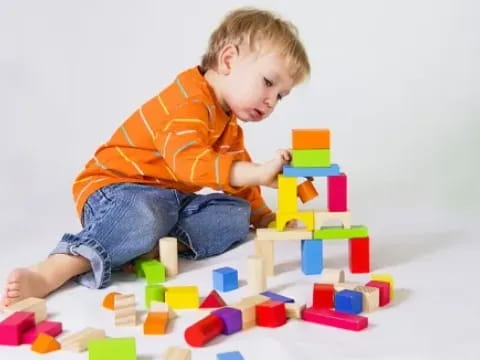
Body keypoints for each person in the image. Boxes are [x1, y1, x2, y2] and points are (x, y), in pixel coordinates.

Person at [1, 7, 310, 307]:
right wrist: (256, 172)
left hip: (167, 201)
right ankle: (55, 269)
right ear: (228, 59)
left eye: (281, 95)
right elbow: (188, 162)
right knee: (146, 213)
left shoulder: (228, 123)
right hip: (115, 190)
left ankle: (147, 248)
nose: (271, 101)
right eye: (268, 82)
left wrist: (264, 217)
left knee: (235, 214)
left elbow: (238, 181)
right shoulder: (189, 100)